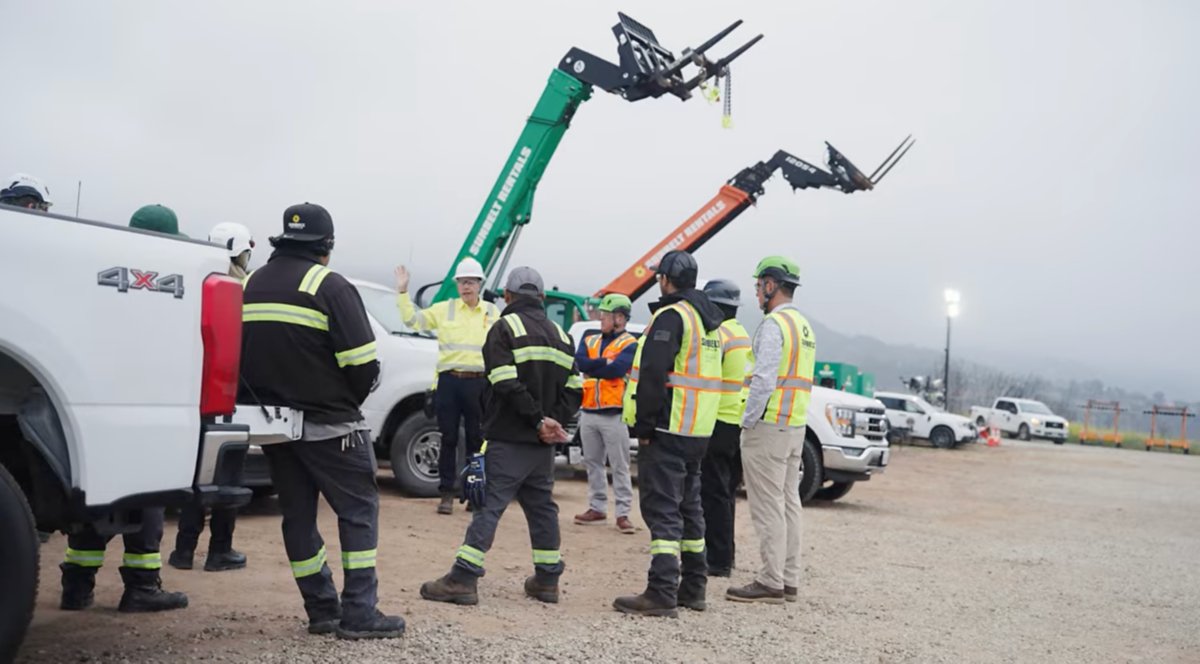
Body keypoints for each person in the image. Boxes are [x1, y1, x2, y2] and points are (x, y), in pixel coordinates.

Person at [240, 202, 403, 639]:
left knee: (297, 516)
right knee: (358, 512)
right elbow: (363, 365)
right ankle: (359, 614)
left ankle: (321, 609)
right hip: (331, 426)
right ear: (326, 247)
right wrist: (343, 405)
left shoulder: (252, 283)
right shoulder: (329, 285)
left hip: (275, 427)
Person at [58, 206, 194, 614]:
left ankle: (77, 588)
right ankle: (141, 588)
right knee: (146, 500)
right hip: (144, 406)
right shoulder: (160, 284)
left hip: (90, 408)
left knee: (95, 500)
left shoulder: (100, 273)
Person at [420, 267, 581, 606]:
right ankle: (548, 580)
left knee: (489, 505)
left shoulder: (503, 328)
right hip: (542, 447)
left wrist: (537, 420)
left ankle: (463, 578)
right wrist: (552, 422)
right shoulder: (563, 335)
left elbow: (504, 382)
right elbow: (575, 388)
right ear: (542, 298)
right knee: (542, 509)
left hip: (510, 439)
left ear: (507, 296)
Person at [614, 250, 724, 618]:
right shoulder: (710, 321)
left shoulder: (672, 317)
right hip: (697, 431)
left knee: (663, 512)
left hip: (668, 428)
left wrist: (644, 427)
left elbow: (653, 375)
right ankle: (694, 588)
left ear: (665, 279)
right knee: (691, 511)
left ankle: (661, 592)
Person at [726, 256, 816, 606]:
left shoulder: (773, 326)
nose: (756, 292)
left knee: (767, 507)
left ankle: (770, 580)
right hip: (794, 425)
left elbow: (763, 378)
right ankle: (788, 580)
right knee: (790, 503)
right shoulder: (803, 326)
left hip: (769, 425)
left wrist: (747, 420)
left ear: (770, 285)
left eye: (758, 285)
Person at [168, 222, 256, 573]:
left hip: (195, 395)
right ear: (239, 252)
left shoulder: (194, 281)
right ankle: (220, 551)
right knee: (228, 476)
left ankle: (183, 551)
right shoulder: (242, 289)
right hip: (226, 393)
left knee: (197, 476)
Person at [395, 258, 501, 514]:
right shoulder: (445, 310)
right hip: (449, 382)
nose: (466, 286)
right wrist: (402, 292)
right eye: (463, 282)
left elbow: (502, 343)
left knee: (477, 441)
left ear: (479, 284)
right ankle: (446, 495)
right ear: (457, 285)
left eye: (471, 282)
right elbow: (413, 321)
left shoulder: (492, 313)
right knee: (449, 438)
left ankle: (473, 493)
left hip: (479, 384)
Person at [572, 293, 638, 534]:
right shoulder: (590, 339)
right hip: (588, 410)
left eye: (606, 316)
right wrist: (605, 364)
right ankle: (597, 507)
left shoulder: (630, 343)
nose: (601, 319)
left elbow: (618, 369)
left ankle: (623, 513)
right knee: (593, 463)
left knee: (620, 465)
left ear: (620, 318)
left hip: (614, 413)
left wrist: (596, 367)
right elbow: (579, 363)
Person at [699, 279, 752, 577]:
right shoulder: (742, 334)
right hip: (736, 422)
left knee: (713, 492)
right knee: (726, 492)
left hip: (717, 421)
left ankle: (717, 560)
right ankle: (725, 554)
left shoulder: (717, 335)